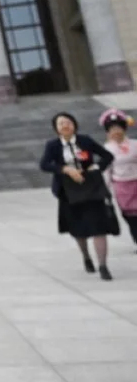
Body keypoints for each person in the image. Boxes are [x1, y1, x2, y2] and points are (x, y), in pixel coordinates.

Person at [40, 112, 116, 279]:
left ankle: (103, 266)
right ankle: (86, 257)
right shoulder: (53, 145)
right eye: (61, 124)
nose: (65, 125)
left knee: (99, 227)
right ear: (56, 129)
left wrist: (95, 168)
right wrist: (65, 169)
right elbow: (44, 165)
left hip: (91, 188)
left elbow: (108, 156)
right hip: (68, 191)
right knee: (79, 229)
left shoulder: (85, 141)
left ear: (74, 125)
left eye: (68, 122)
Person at [101, 108, 137, 248]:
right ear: (108, 132)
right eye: (112, 129)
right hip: (122, 186)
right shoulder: (107, 149)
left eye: (118, 128)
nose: (116, 132)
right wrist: (106, 189)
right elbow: (106, 170)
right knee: (130, 216)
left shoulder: (135, 144)